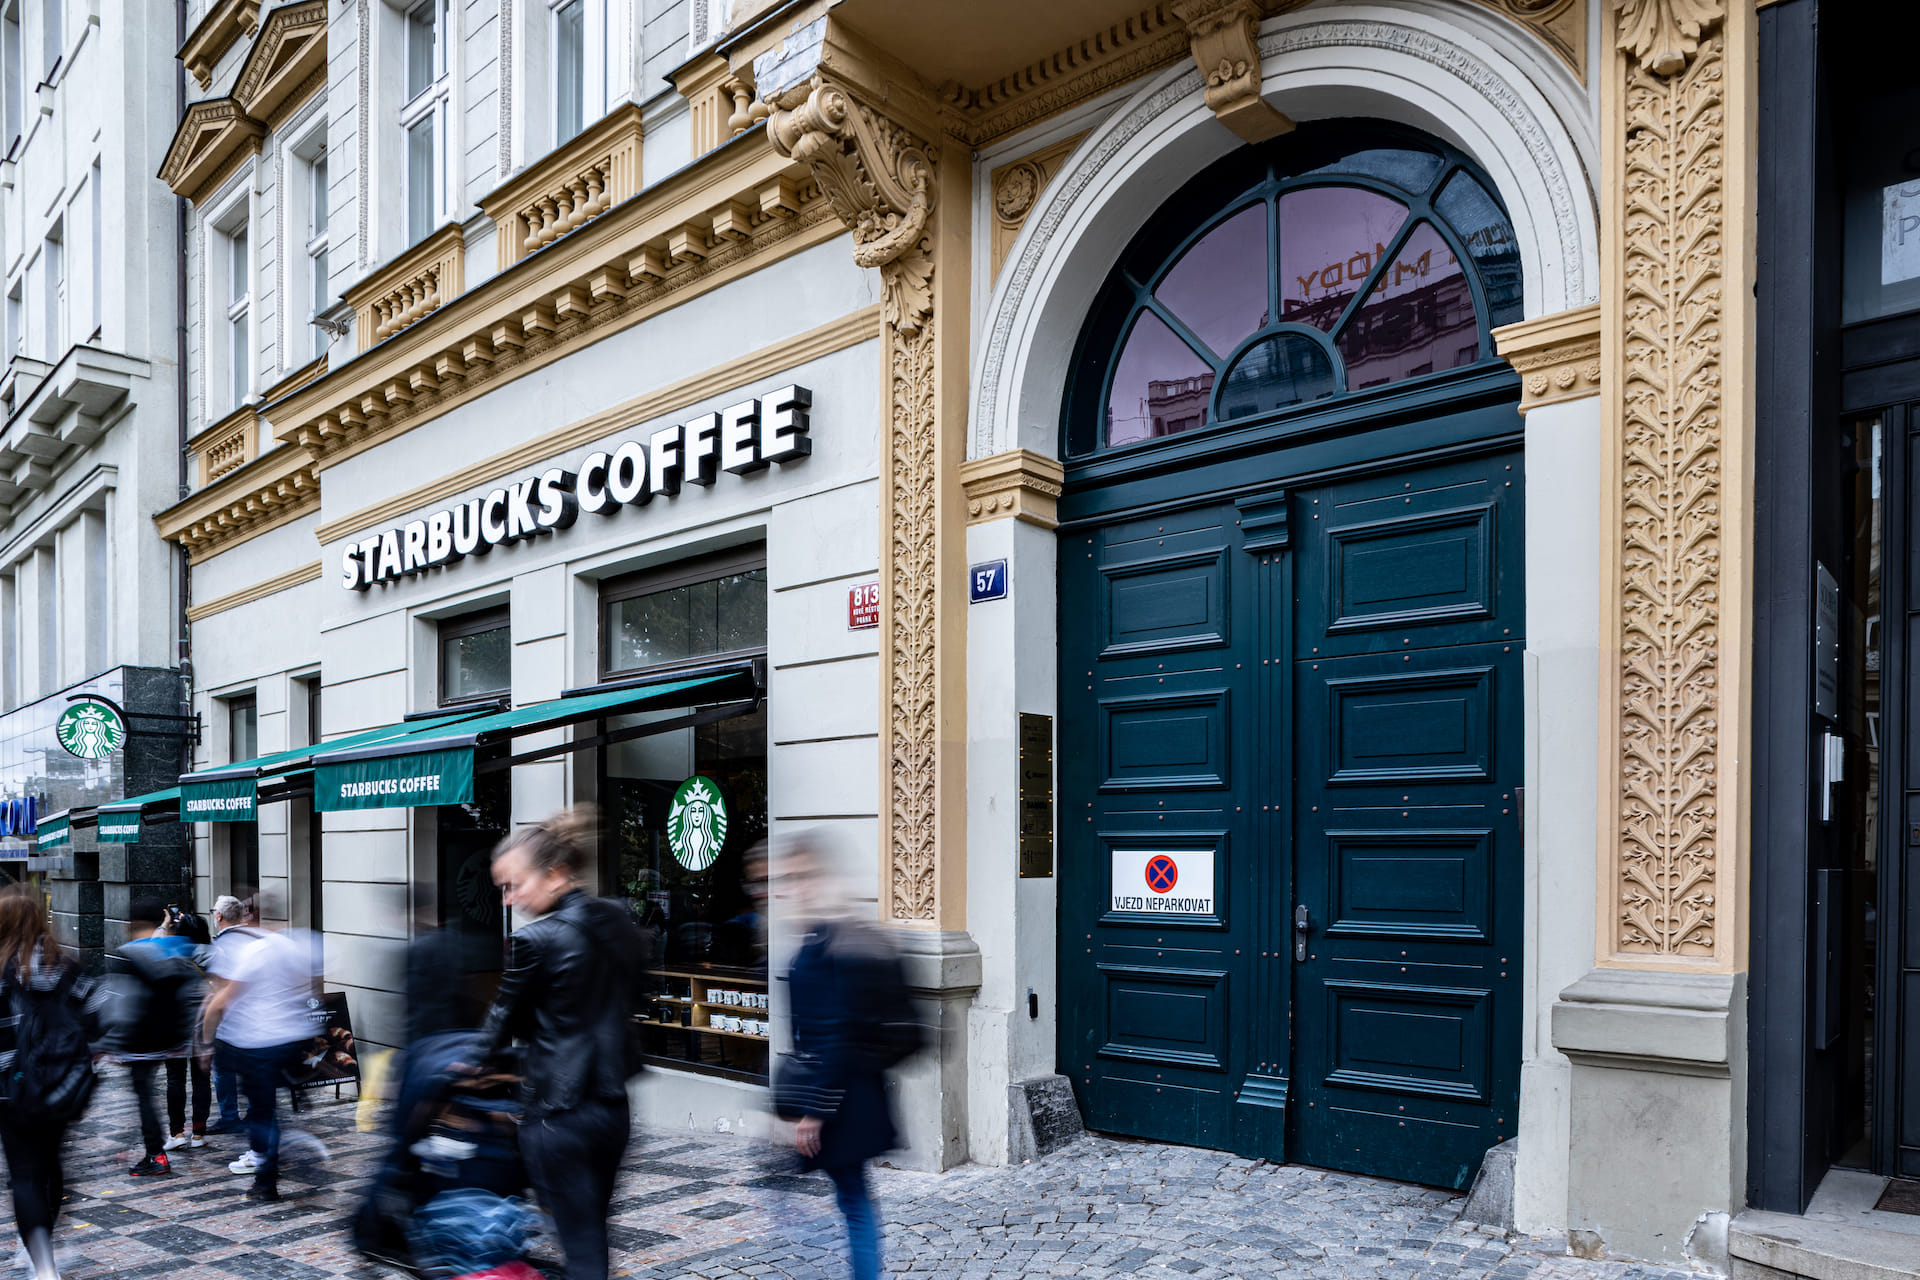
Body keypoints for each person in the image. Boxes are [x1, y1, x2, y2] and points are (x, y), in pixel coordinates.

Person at [464, 808, 649, 1280]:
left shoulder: (535, 940)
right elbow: (637, 993)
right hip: (613, 1110)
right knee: (591, 1234)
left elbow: (501, 1019)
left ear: (555, 874)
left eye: (514, 885)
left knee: (580, 1245)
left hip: (558, 1114)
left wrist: (472, 1066)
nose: (508, 899)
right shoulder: (618, 919)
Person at [773, 833, 915, 1280]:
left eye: (797, 877)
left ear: (817, 878)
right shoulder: (819, 938)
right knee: (851, 1196)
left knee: (852, 1199)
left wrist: (814, 1112)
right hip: (846, 1093)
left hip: (843, 1097)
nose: (789, 888)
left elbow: (837, 1032)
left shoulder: (832, 944)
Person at [0, 885, 106, 1280]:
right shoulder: (66, 966)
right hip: (64, 1086)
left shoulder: (1, 971)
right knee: (51, 1163)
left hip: (10, 1089)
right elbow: (98, 1013)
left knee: (25, 1174)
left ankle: (43, 1264)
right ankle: (40, 1247)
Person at [199, 904, 319, 1202]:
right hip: (292, 1038)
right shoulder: (297, 945)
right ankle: (293, 1115)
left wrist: (206, 1044)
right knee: (270, 1107)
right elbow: (314, 990)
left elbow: (221, 1001)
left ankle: (266, 1180)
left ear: (253, 919)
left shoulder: (255, 952)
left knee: (261, 1113)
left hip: (256, 1043)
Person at [109, 898, 203, 1177]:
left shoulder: (129, 954)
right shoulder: (174, 951)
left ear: (133, 923)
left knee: (144, 1098)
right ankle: (163, 1144)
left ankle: (155, 1154)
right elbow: (191, 993)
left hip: (139, 1042)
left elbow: (124, 1002)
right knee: (158, 1091)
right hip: (172, 1039)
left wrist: (112, 1043)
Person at [157, 908, 213, 1153]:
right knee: (202, 1080)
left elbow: (153, 946)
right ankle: (199, 1134)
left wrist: (165, 924)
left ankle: (177, 1133)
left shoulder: (171, 953)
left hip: (175, 1026)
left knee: (175, 1080)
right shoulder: (215, 955)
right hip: (205, 1026)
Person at [204, 896, 259, 1135]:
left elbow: (220, 987)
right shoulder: (255, 939)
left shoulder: (221, 945)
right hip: (256, 1015)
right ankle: (255, 1113)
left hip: (231, 1017)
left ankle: (229, 1116)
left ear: (218, 916)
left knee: (223, 1069)